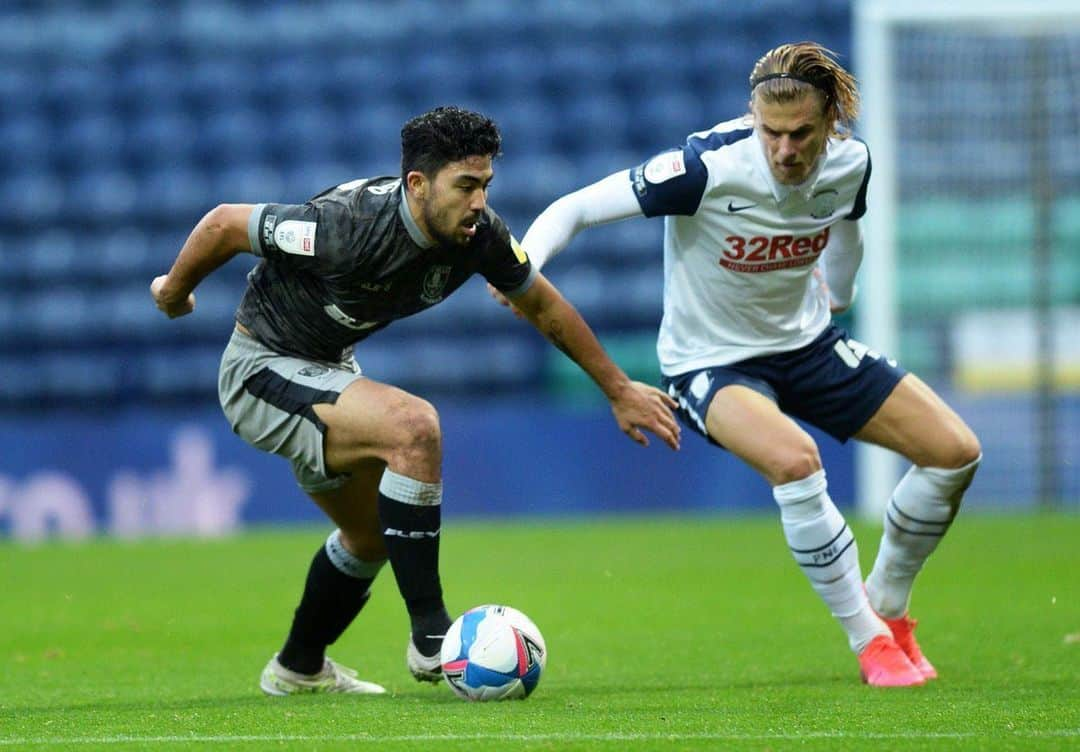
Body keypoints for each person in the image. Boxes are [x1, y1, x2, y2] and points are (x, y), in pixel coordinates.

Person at [151, 106, 680, 696]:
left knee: (373, 538)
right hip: (260, 370)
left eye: (485, 186)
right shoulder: (345, 227)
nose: (479, 202)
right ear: (418, 184)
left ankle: (297, 668)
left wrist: (618, 388)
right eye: (466, 186)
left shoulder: (480, 237)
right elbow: (226, 224)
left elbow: (543, 305)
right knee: (413, 428)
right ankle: (433, 640)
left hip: (327, 370)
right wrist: (174, 292)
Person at [510, 43, 981, 687]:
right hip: (710, 362)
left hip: (808, 344)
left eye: (801, 134)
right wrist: (526, 263)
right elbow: (578, 208)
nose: (784, 150)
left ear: (831, 122)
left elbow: (846, 224)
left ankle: (889, 606)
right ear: (754, 119)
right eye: (771, 132)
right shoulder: (704, 167)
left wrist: (840, 294)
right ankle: (869, 640)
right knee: (795, 461)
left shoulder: (852, 162)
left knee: (954, 452)